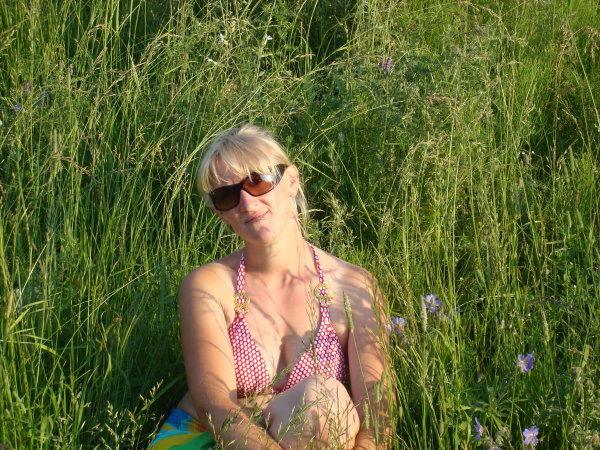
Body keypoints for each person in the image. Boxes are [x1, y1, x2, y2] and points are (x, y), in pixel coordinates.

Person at [149, 124, 391, 449]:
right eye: (227, 195)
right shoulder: (208, 285)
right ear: (220, 213)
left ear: (291, 181)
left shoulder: (354, 285)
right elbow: (213, 404)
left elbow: (378, 411)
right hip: (209, 437)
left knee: (323, 403)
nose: (247, 203)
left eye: (257, 181)